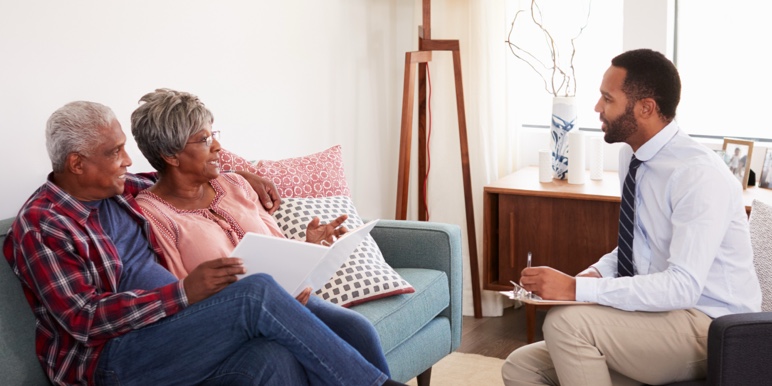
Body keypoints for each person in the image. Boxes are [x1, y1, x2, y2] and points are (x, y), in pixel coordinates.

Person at [3, 100, 404, 386]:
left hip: (169, 331)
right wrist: (182, 293)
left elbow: (181, 176)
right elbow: (84, 320)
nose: (127, 160)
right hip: (111, 362)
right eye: (114, 152)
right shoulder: (42, 226)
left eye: (124, 147)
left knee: (284, 352)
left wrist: (246, 175)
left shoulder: (119, 192)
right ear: (77, 163)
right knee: (255, 293)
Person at [501, 48, 761, 386]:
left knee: (566, 323)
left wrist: (576, 290)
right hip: (661, 316)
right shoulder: (633, 158)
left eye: (607, 99)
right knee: (521, 366)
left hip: (711, 326)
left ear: (646, 107)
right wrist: (593, 274)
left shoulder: (697, 175)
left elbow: (682, 287)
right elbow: (638, 247)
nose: (597, 108)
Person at [129, 88, 390, 374]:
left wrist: (309, 247)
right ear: (170, 155)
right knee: (278, 357)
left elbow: (276, 248)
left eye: (214, 133)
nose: (218, 147)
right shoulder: (152, 214)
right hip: (229, 323)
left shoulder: (236, 186)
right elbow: (182, 294)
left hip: (287, 301)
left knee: (358, 329)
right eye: (204, 140)